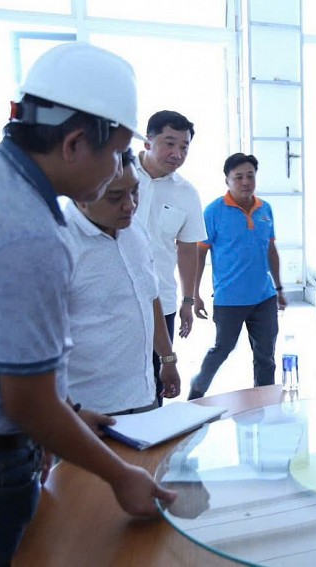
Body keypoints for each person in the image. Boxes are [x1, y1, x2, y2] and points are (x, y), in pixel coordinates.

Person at [0, 42, 175, 566]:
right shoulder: (26, 233)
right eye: (116, 155)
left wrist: (70, 414)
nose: (117, 171)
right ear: (73, 144)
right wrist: (120, 476)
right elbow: (28, 402)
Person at [62, 149, 181, 415]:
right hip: (89, 408)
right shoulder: (59, 244)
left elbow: (149, 296)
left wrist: (167, 358)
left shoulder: (134, 230)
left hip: (143, 394)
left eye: (134, 191)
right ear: (82, 196)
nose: (130, 205)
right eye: (115, 197)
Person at [188, 153, 287, 398]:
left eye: (250, 176)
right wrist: (194, 294)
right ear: (227, 180)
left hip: (264, 297)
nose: (245, 182)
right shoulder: (213, 211)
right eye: (239, 177)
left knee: (266, 355)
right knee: (222, 349)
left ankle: (264, 400)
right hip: (229, 299)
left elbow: (270, 250)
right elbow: (199, 254)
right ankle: (197, 391)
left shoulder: (265, 209)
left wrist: (279, 288)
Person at [134, 110, 206, 405]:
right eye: (170, 143)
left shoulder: (186, 193)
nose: (177, 154)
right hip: (113, 299)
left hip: (161, 300)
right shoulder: (117, 175)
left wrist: (187, 300)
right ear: (148, 141)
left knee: (156, 382)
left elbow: (187, 249)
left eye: (184, 147)